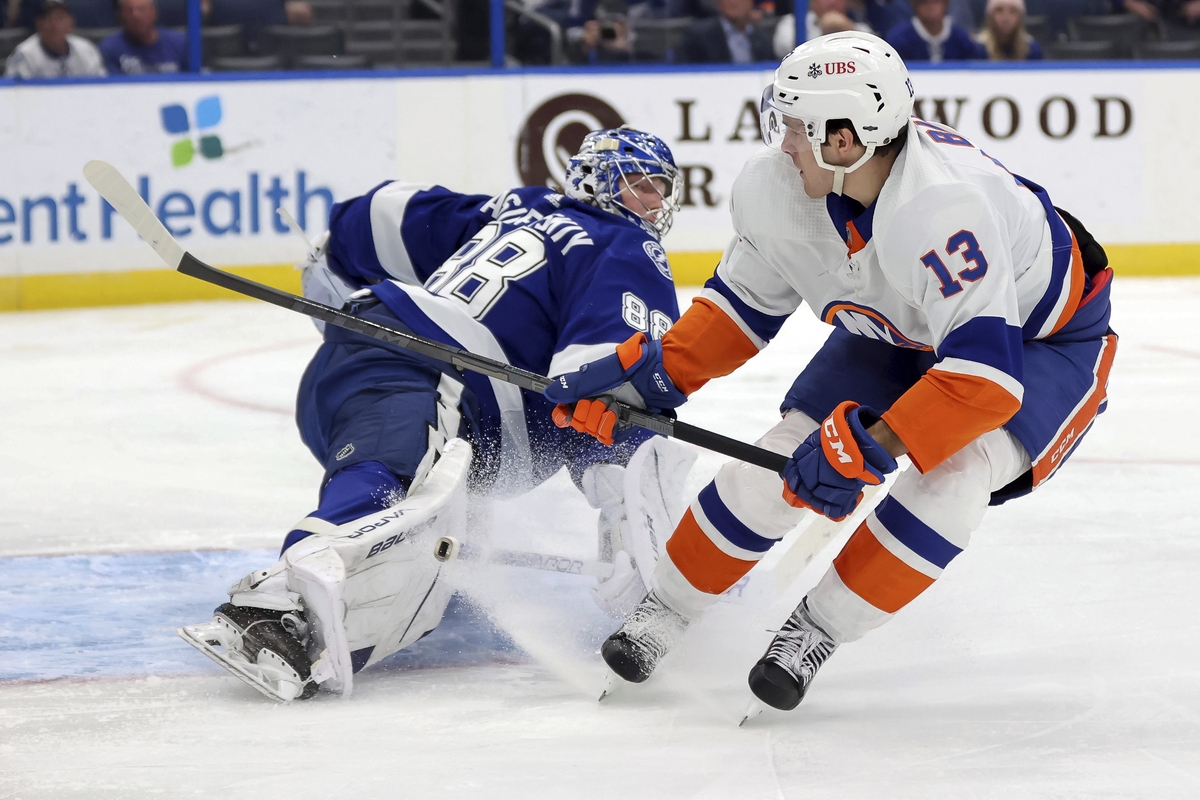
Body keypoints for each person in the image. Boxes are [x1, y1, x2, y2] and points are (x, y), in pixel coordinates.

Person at [547, 32, 1116, 712]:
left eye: (794, 126)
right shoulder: (775, 188)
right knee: (781, 455)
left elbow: (983, 377)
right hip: (900, 323)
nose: (781, 142)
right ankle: (665, 609)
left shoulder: (942, 208)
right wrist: (644, 376)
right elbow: (739, 312)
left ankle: (814, 631)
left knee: (956, 477)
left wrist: (874, 444)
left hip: (1039, 340)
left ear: (844, 138)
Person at [179, 128, 693, 702]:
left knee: (441, 476)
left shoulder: (517, 204)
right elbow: (610, 382)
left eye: (660, 189)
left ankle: (423, 547)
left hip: (358, 352)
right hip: (428, 372)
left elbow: (373, 216)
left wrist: (329, 262)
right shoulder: (624, 244)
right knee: (400, 477)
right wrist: (632, 512)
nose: (654, 202)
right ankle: (279, 604)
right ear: (600, 181)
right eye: (640, 185)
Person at [4, 0, 105, 78]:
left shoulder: (86, 50)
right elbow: (14, 94)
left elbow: (101, 87)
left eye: (60, 17)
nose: (54, 25)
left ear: (71, 22)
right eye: (48, 18)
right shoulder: (25, 55)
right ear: (38, 23)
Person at [100, 0, 187, 74]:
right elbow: (112, 88)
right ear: (120, 15)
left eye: (142, 9)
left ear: (153, 11)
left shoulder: (180, 43)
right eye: (129, 10)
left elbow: (192, 82)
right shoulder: (109, 48)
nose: (135, 15)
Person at [885, 0, 986, 61]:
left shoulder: (961, 39)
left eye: (936, 1)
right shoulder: (899, 39)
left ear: (945, 3)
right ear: (915, 5)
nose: (931, 6)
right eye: (924, 1)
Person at [678, 0, 775, 63]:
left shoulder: (763, 37)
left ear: (751, 3)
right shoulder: (698, 36)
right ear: (719, 3)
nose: (735, 2)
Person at [773, 0, 873, 58]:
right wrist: (825, 32)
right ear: (813, 2)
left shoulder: (860, 27)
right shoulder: (792, 22)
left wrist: (847, 29)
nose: (833, 2)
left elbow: (875, 52)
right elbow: (784, 50)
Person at [977, 0, 1043, 60]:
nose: (1006, 18)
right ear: (990, 16)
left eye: (1013, 11)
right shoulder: (978, 48)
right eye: (999, 10)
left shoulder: (1031, 49)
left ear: (1020, 17)